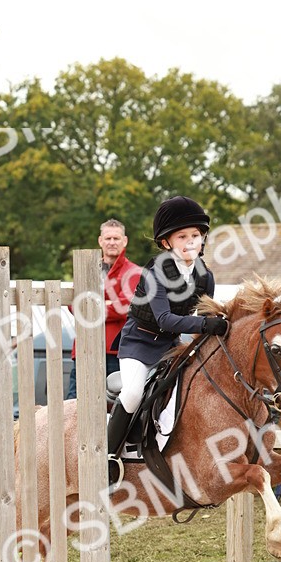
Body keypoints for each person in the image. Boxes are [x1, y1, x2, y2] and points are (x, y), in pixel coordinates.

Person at [106, 196, 226, 483]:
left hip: (171, 346)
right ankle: (107, 457)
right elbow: (165, 320)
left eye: (195, 235)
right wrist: (209, 324)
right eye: (182, 236)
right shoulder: (156, 272)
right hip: (139, 343)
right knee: (134, 393)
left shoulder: (204, 277)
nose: (190, 241)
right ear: (166, 243)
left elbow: (202, 318)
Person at [66, 219, 142, 400]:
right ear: (100, 241)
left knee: (114, 410)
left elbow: (126, 307)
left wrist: (91, 306)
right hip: (85, 349)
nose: (112, 242)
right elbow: (73, 304)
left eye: (116, 238)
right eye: (108, 238)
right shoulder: (86, 270)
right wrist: (107, 305)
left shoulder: (135, 273)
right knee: (74, 404)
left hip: (116, 353)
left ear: (125, 241)